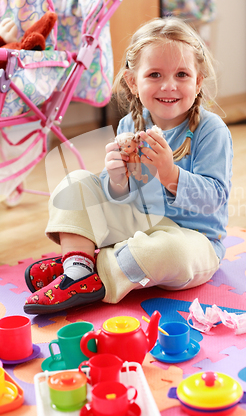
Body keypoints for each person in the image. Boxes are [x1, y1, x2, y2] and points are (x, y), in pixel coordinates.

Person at [24, 17, 233, 315]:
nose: (169, 85)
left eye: (182, 74)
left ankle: (85, 268)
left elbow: (213, 200)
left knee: (168, 251)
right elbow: (121, 200)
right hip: (139, 226)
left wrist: (169, 173)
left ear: (198, 81)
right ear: (133, 82)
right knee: (75, 182)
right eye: (155, 74)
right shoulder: (130, 125)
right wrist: (115, 180)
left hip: (194, 239)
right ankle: (80, 268)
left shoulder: (211, 130)